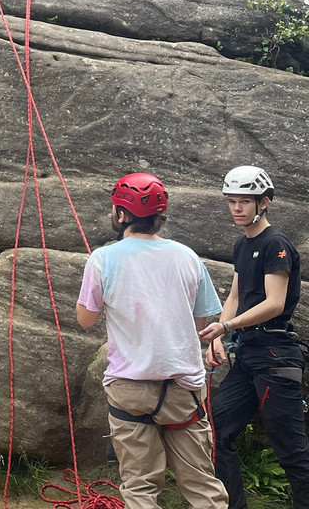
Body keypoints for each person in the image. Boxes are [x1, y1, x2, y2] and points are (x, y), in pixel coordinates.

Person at [77, 173, 227, 509]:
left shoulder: (103, 259)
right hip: (183, 389)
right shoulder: (188, 257)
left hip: (130, 388)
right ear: (161, 216)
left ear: (120, 214)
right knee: (202, 485)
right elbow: (201, 322)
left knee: (140, 486)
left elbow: (86, 319)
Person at [199, 166, 309, 509]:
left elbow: (274, 303)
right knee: (217, 428)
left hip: (276, 355)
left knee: (289, 445)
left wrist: (227, 328)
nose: (236, 208)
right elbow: (234, 296)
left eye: (244, 201)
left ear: (263, 202)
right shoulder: (243, 243)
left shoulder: (275, 243)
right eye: (231, 201)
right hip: (248, 355)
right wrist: (219, 335)